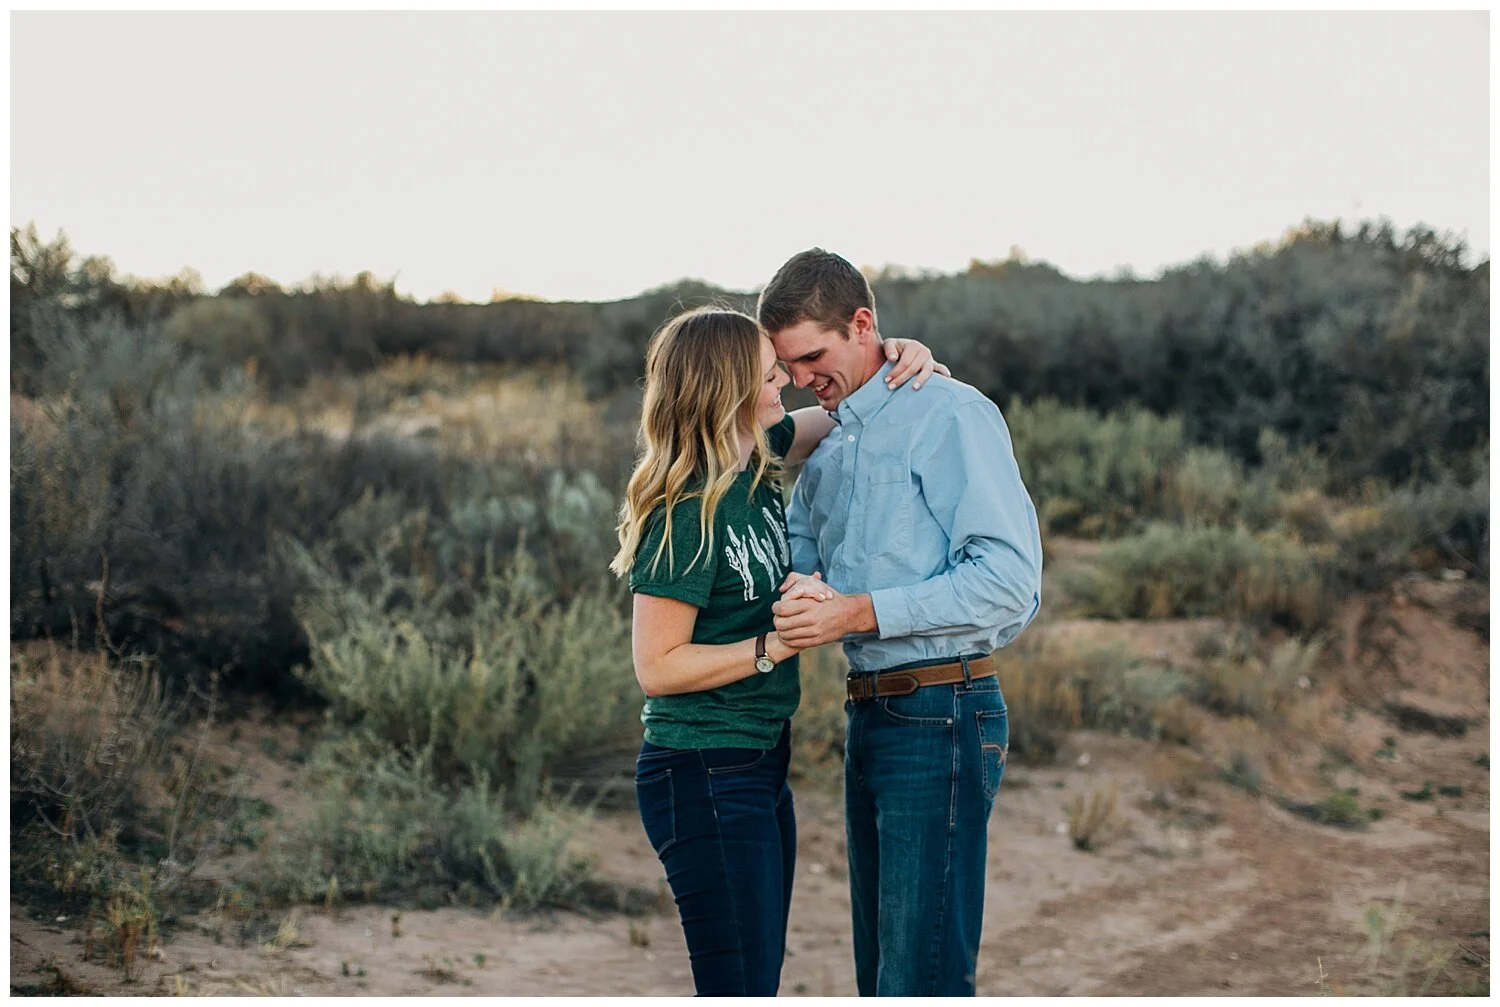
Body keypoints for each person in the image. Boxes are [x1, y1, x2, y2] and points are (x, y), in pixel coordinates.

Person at [608, 305, 946, 996]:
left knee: (754, 974)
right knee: (740, 984)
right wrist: (772, 644)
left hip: (759, 761)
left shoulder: (755, 461)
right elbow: (657, 666)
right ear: (727, 393)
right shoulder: (684, 509)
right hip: (702, 770)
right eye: (769, 377)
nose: (785, 387)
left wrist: (896, 353)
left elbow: (850, 411)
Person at [761, 249, 1043, 997]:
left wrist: (857, 611)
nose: (801, 379)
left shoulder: (950, 413)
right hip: (871, 714)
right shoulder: (830, 446)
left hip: (943, 711)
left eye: (813, 357)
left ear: (863, 324)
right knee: (882, 974)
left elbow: (1009, 582)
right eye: (787, 366)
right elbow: (793, 559)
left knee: (920, 979)